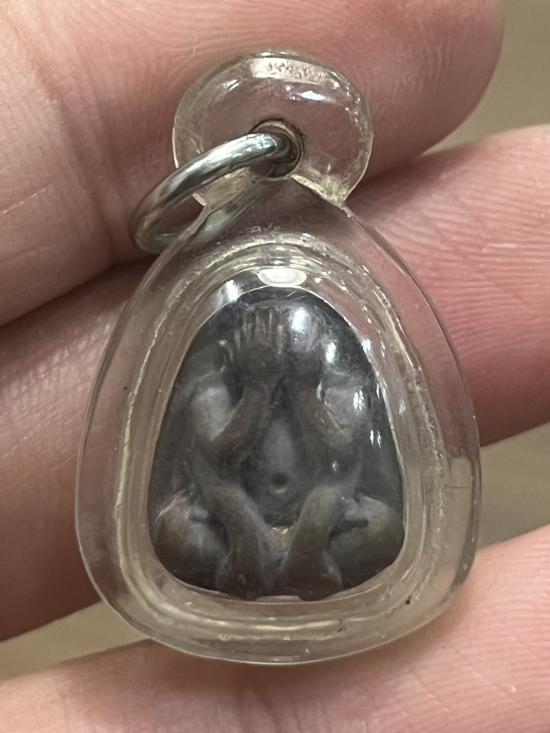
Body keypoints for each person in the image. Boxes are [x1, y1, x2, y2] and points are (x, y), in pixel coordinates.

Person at [0, 1, 549, 730]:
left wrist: (303, 386)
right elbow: (213, 458)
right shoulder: (215, 373)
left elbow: (346, 456)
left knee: (382, 526)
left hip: (329, 509)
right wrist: (259, 386)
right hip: (226, 509)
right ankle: (271, 558)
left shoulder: (336, 367)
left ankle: (287, 557)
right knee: (177, 532)